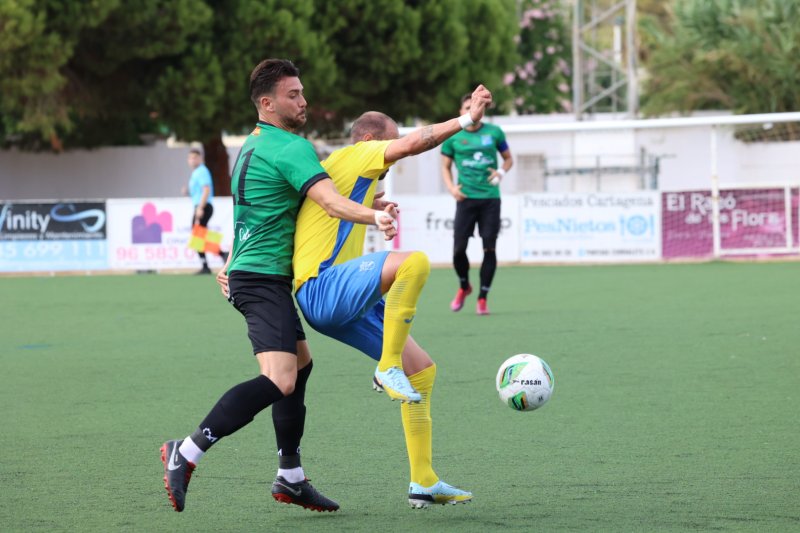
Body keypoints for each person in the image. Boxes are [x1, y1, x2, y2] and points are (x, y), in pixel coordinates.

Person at [160, 58, 398, 514]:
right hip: (262, 280)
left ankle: (290, 476)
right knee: (280, 378)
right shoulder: (292, 147)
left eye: (302, 92)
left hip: (255, 274)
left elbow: (264, 212)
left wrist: (231, 261)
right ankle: (185, 451)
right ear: (267, 104)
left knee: (301, 367)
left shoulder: (254, 146)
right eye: (293, 95)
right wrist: (376, 216)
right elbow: (328, 202)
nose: (303, 101)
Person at [290, 85, 492, 507]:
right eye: (389, 139)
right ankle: (386, 368)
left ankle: (424, 480)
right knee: (413, 262)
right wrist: (466, 120)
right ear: (367, 141)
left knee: (421, 370)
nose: (393, 151)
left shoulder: (346, 175)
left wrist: (376, 202)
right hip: (322, 289)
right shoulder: (354, 155)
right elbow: (418, 142)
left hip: (339, 302)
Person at [441, 93, 513, 315]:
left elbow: (509, 159)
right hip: (465, 200)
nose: (471, 110)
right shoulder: (452, 137)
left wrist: (500, 172)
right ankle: (464, 286)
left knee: (489, 248)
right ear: (461, 111)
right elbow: (445, 167)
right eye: (466, 107)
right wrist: (452, 189)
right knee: (458, 250)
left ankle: (482, 297)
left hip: (490, 198)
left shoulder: (494, 132)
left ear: (482, 110)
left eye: (476, 106)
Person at [184, 148, 228, 274]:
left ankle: (211, 261)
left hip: (203, 206)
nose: (192, 160)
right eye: (190, 158)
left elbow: (206, 190)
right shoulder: (196, 172)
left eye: (194, 157)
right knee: (199, 235)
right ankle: (220, 255)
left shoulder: (202, 171)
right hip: (201, 205)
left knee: (197, 235)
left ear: (200, 158)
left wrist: (200, 208)